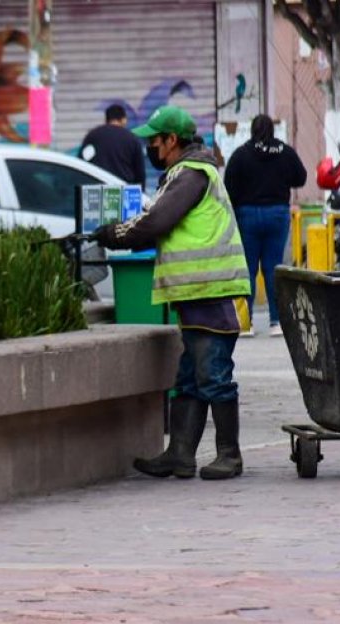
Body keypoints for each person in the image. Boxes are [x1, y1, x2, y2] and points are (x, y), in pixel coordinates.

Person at [92, 105, 252, 481]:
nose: (150, 147)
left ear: (172, 140)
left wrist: (115, 234)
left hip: (211, 293)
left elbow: (158, 219)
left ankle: (230, 455)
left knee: (213, 376)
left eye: (155, 140)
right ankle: (180, 455)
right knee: (190, 380)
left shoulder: (191, 173)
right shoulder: (188, 172)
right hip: (197, 295)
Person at [224, 115, 306, 337]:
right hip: (277, 214)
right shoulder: (284, 152)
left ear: (252, 130)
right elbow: (301, 177)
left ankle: (246, 322)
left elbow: (228, 186)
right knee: (272, 268)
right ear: (272, 130)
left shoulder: (241, 154)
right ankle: (276, 322)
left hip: (247, 215)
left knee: (248, 268)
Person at [79, 104, 146, 187]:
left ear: (106, 119)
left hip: (96, 192)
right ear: (123, 120)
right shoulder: (131, 139)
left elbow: (81, 164)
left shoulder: (92, 136)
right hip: (124, 192)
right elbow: (140, 174)